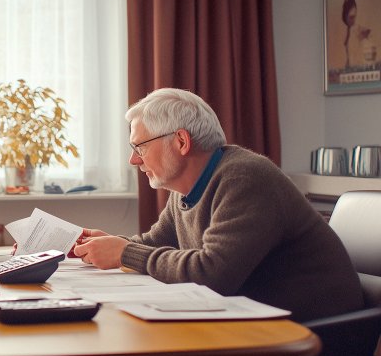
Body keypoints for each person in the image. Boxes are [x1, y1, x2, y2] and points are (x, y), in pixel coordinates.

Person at [73, 88, 362, 324]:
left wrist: (125, 252)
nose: (133, 160)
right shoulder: (187, 188)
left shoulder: (245, 178)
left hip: (309, 345)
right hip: (256, 327)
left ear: (182, 141)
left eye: (140, 147)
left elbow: (211, 274)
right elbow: (153, 243)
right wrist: (111, 245)